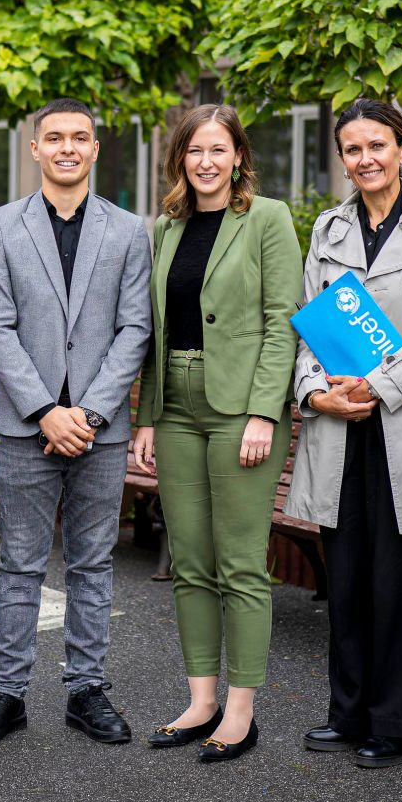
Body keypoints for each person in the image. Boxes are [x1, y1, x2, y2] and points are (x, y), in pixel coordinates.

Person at [283, 100, 402, 769]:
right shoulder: (328, 228)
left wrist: (378, 385)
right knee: (349, 578)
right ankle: (350, 711)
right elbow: (309, 325)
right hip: (341, 425)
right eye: (352, 148)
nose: (365, 158)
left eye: (377, 144)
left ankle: (399, 722)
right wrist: (316, 391)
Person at [0, 97, 152, 749]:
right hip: (25, 426)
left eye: (80, 137)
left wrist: (89, 412)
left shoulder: (128, 231)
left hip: (99, 432)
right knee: (19, 564)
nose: (67, 147)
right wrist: (46, 409)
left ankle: (86, 689)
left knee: (93, 564)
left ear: (94, 148)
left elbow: (134, 328)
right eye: (54, 137)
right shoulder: (2, 227)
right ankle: (5, 693)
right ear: (34, 149)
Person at [128, 104, 300, 763]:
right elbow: (155, 327)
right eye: (194, 150)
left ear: (238, 157)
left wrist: (264, 410)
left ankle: (240, 710)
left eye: (218, 150)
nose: (206, 161)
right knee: (190, 562)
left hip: (239, 409)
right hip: (176, 404)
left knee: (239, 563)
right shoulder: (167, 228)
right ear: (181, 158)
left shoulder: (267, 219)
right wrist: (147, 415)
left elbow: (283, 318)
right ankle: (200, 700)